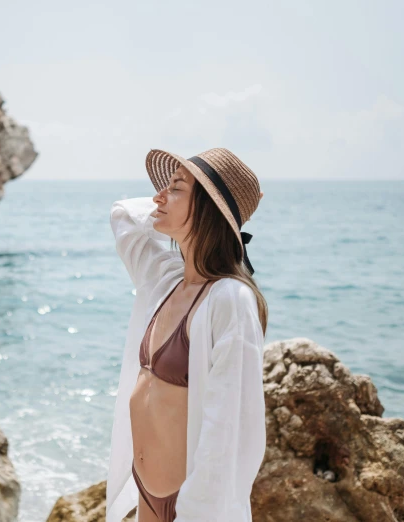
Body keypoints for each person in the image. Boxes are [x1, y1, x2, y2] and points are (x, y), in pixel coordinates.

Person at [106, 147, 268, 522]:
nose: (157, 197)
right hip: (146, 493)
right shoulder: (166, 279)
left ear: (208, 209)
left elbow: (226, 427)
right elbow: (123, 216)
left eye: (175, 188)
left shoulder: (230, 300)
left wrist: (195, 512)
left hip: (192, 506)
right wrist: (177, 206)